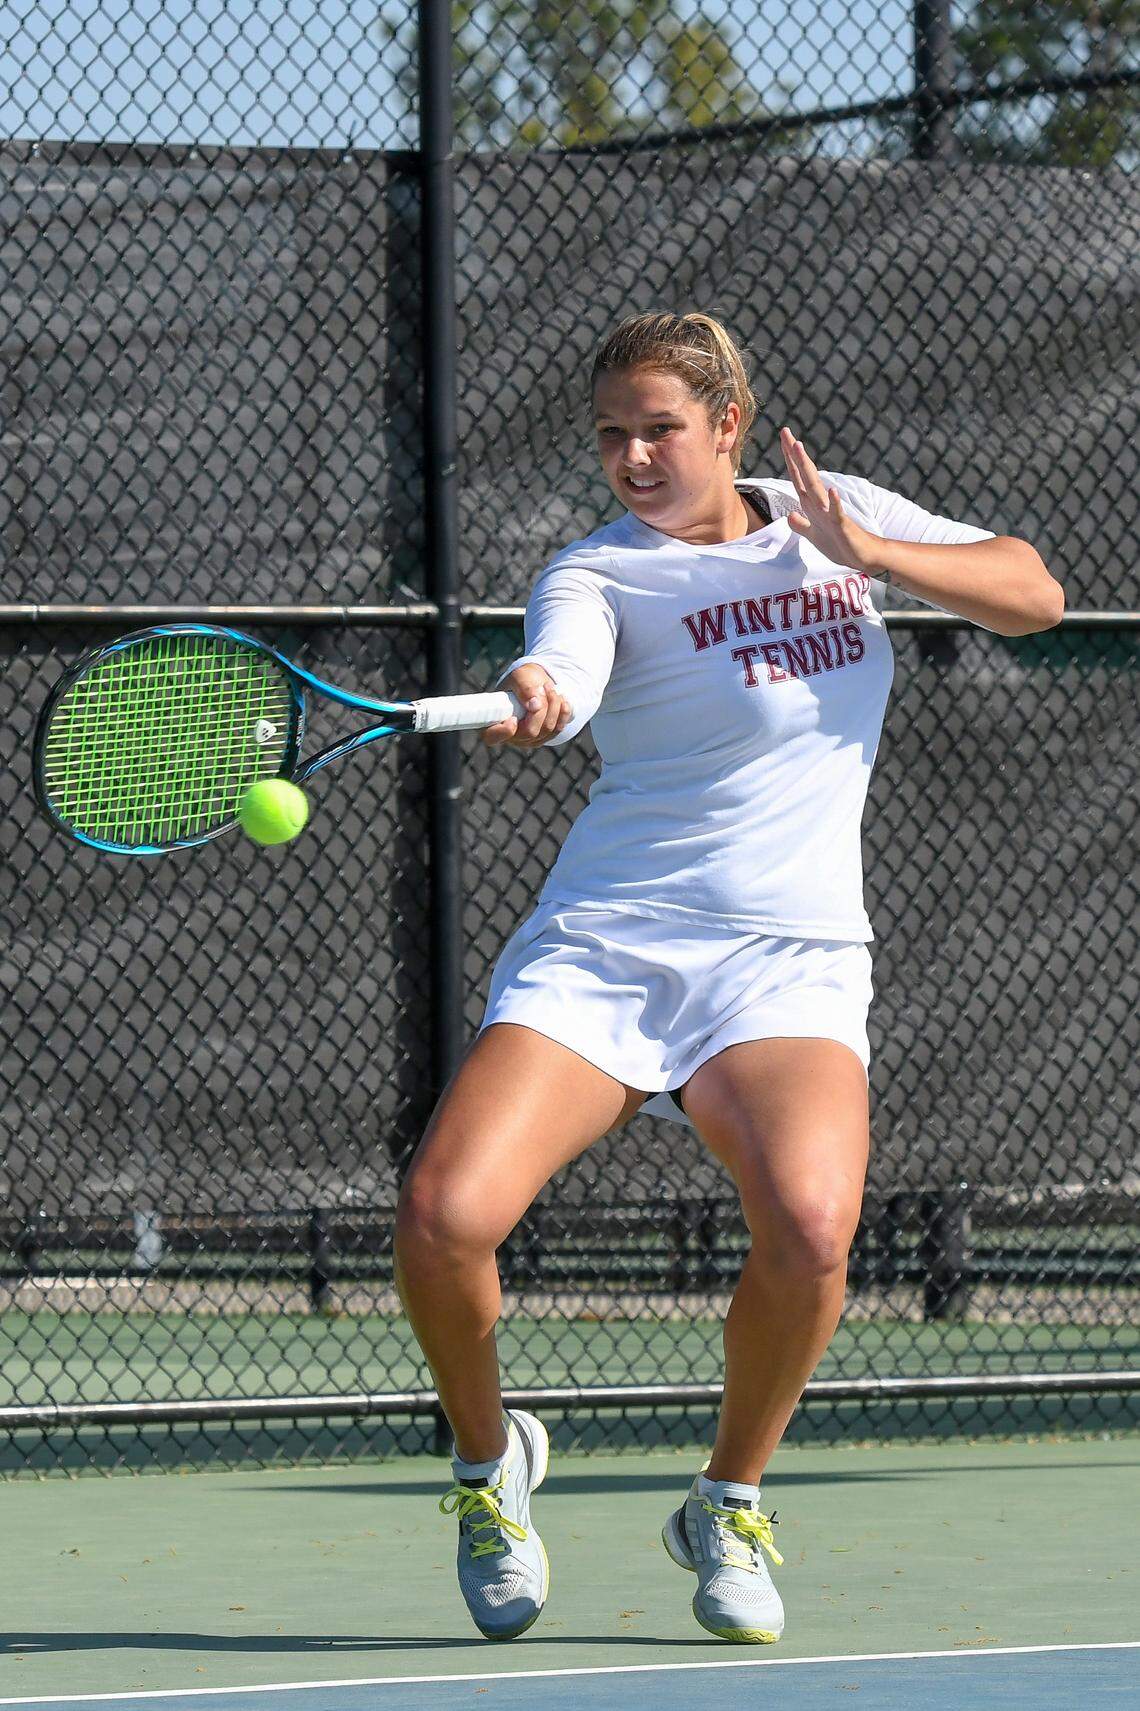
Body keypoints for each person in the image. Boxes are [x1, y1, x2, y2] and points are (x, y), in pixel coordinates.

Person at [393, 311, 1064, 1644]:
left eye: (660, 429)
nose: (634, 456)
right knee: (443, 1217)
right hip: (611, 948)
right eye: (612, 436)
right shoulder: (597, 572)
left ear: (727, 428)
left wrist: (862, 550)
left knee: (814, 1232)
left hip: (791, 960)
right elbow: (567, 668)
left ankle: (729, 1500)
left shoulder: (833, 511)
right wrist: (542, 690)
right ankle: (488, 1468)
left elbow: (1034, 593)